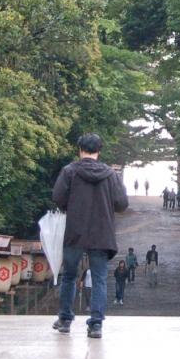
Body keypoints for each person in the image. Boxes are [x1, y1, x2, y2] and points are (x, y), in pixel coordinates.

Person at [52, 133, 128, 339]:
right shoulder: (110, 175)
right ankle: (96, 325)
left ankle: (65, 320)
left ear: (79, 149)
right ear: (99, 151)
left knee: (69, 275)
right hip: (101, 233)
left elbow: (58, 197)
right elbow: (122, 203)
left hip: (75, 231)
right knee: (100, 279)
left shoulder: (69, 171)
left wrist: (72, 207)